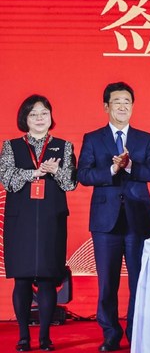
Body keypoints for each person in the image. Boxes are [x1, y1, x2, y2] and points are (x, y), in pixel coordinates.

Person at [78, 82, 150, 352]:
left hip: (138, 220)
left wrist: (131, 166)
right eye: (117, 102)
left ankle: (137, 332)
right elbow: (83, 174)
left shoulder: (145, 138)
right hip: (105, 222)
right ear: (106, 106)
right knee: (107, 283)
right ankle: (111, 333)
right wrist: (112, 170)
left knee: (139, 281)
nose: (123, 106)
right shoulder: (93, 138)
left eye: (127, 102)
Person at [0, 95, 77, 352]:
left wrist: (55, 171)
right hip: (20, 221)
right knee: (21, 280)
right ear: (25, 119)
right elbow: (7, 179)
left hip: (50, 219)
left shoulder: (64, 146)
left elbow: (71, 183)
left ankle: (45, 337)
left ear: (51, 116)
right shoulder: (11, 146)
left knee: (47, 278)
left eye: (44, 113)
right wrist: (35, 172)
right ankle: (23, 337)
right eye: (33, 114)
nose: (39, 118)